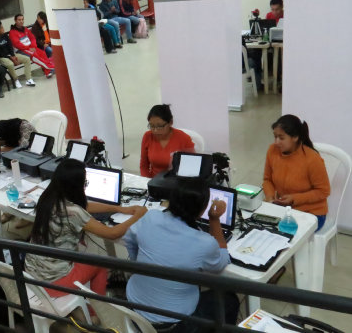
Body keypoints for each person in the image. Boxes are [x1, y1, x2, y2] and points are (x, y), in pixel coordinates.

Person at [125, 178, 239, 332]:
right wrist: (214, 219)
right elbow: (222, 262)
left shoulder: (151, 217)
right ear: (202, 208)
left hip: (133, 309)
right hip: (172, 325)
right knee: (230, 299)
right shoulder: (204, 242)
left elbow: (129, 239)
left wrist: (140, 267)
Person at [25, 159, 147, 297]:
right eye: (85, 183)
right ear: (76, 186)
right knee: (100, 262)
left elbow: (85, 207)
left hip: (31, 271)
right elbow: (112, 233)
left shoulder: (48, 198)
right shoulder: (74, 212)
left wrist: (118, 208)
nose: (85, 186)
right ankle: (97, 313)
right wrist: (138, 216)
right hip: (52, 282)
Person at [263, 115, 330, 230]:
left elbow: (323, 191)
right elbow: (267, 179)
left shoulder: (312, 159)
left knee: (285, 233)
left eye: (281, 138)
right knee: (262, 227)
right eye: (275, 137)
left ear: (295, 137)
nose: (277, 142)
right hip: (284, 209)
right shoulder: (272, 151)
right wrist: (269, 197)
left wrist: (294, 199)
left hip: (312, 213)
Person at [140, 104, 195, 178]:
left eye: (160, 126)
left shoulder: (184, 138)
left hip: (176, 181)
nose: (155, 130)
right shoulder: (148, 136)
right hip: (154, 180)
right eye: (152, 126)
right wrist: (146, 182)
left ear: (170, 122)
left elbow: (191, 167)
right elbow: (144, 166)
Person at [0, 20, 35, 89]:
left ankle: (29, 79)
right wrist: (10, 57)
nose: (3, 29)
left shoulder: (5, 35)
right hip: (1, 57)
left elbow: (10, 46)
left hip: (11, 55)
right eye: (2, 27)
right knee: (10, 64)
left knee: (26, 59)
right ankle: (16, 80)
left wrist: (13, 55)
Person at [9, 14, 55, 78]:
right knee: (36, 56)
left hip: (31, 48)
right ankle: (51, 67)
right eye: (19, 20)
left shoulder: (25, 29)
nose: (21, 21)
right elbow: (17, 44)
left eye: (22, 19)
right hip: (22, 50)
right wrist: (29, 48)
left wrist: (33, 46)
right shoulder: (12, 32)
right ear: (15, 21)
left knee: (42, 53)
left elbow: (32, 38)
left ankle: (47, 72)